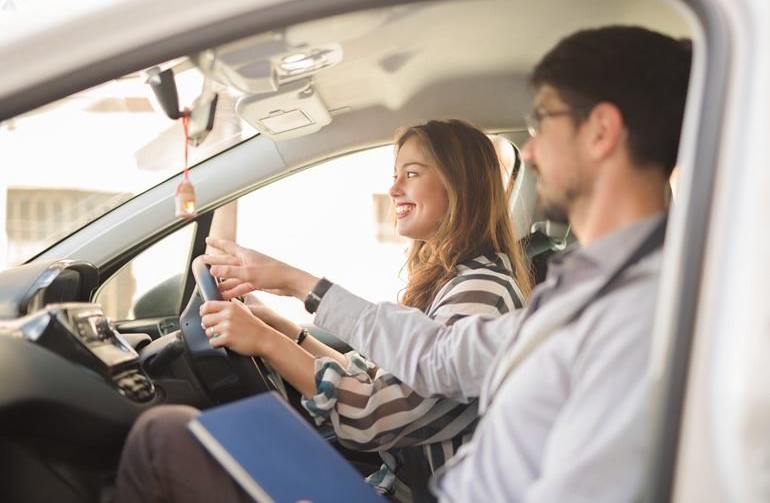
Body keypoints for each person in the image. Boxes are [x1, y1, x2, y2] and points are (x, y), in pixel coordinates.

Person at [117, 25, 692, 502]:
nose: (533, 150)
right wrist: (288, 319)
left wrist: (284, 313)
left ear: (601, 131)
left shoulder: (625, 309)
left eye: (545, 121)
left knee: (161, 437)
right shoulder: (582, 288)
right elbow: (435, 359)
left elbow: (378, 411)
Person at [114, 119, 532, 503]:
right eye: (395, 175)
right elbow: (381, 382)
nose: (394, 190)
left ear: (460, 184)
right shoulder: (458, 282)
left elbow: (375, 414)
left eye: (411, 173)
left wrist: (266, 339)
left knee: (163, 435)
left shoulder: (483, 295)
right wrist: (281, 330)